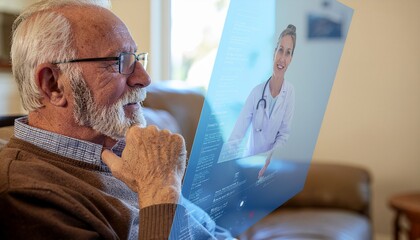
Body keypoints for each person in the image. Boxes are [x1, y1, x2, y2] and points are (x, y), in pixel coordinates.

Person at [0, 0, 230, 239]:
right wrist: (160, 191)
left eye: (136, 58)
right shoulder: (24, 195)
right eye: (120, 61)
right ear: (53, 85)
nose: (144, 78)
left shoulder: (124, 150)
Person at [228, 24, 296, 178]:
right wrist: (226, 166)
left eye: (288, 53)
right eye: (280, 50)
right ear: (274, 52)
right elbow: (236, 136)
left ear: (291, 58)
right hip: (249, 168)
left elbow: (284, 134)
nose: (282, 58)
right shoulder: (256, 93)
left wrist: (270, 158)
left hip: (272, 170)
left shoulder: (290, 92)